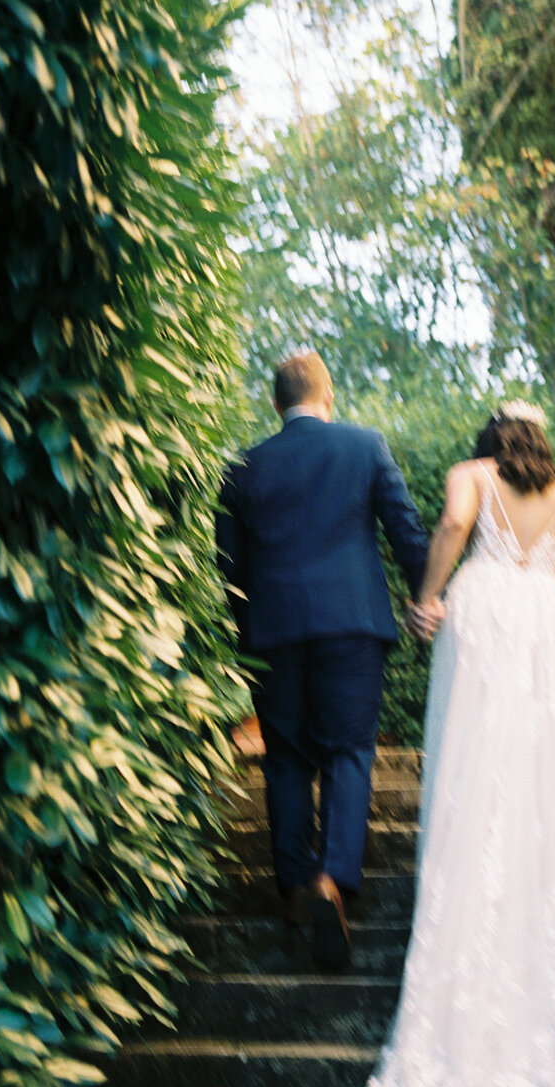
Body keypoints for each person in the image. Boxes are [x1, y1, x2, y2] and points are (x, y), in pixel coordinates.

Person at [323, 400, 555, 1087]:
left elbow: (449, 529)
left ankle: (462, 996)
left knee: (473, 783)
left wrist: (426, 595)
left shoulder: (469, 474)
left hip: (485, 617)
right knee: (545, 793)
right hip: (543, 627)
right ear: (540, 440)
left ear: (490, 438)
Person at [215, 351, 432, 971]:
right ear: (328, 395)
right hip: (352, 623)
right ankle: (334, 879)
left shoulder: (242, 466)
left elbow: (228, 567)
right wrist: (431, 597)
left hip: (274, 632)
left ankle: (291, 888)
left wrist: (246, 634)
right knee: (347, 752)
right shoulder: (366, 447)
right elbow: (407, 531)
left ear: (275, 403)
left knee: (285, 757)